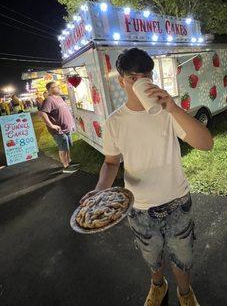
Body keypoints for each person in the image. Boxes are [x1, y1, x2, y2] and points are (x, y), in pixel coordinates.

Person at [80, 48, 214, 305]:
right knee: (151, 256)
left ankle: (185, 294)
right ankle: (158, 285)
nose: (142, 82)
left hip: (177, 202)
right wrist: (100, 190)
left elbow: (206, 143)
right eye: (134, 78)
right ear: (122, 81)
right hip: (139, 207)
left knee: (183, 259)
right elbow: (111, 162)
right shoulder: (114, 122)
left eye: (147, 76)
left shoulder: (167, 111)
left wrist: (173, 108)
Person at [39, 81, 79, 173]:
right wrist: (51, 125)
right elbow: (42, 113)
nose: (58, 87)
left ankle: (69, 161)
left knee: (67, 146)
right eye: (56, 86)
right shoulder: (48, 100)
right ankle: (65, 166)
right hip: (59, 130)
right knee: (63, 147)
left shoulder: (60, 98)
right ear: (50, 89)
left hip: (66, 128)